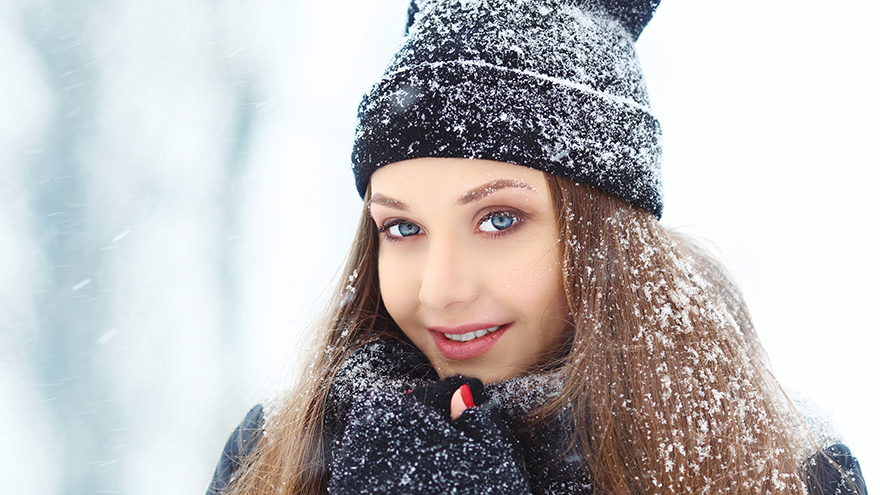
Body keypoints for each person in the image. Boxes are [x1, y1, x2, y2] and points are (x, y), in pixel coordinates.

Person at [207, 0, 868, 493]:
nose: (441, 288)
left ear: (606, 244)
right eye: (402, 228)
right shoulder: (278, 455)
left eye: (498, 220)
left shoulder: (779, 467)